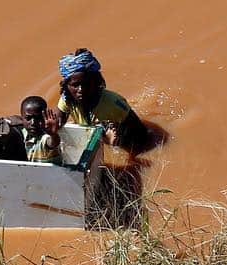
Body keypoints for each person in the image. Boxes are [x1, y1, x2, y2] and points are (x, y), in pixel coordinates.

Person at [52, 48, 149, 225]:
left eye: (85, 84)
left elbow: (140, 132)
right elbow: (56, 123)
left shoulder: (113, 104)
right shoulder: (67, 99)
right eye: (75, 85)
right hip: (95, 131)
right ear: (66, 86)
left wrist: (131, 154)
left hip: (119, 136)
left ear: (96, 82)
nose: (80, 90)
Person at [17, 95, 62, 165]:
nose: (33, 123)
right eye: (28, 118)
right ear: (22, 118)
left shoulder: (45, 137)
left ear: (44, 117)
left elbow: (53, 143)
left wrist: (53, 134)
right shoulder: (23, 133)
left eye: (38, 118)